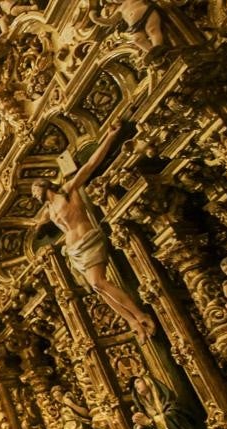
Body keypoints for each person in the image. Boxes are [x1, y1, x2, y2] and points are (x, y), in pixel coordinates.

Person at [31, 122, 157, 340]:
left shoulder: (66, 191)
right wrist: (38, 226)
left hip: (88, 239)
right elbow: (36, 227)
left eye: (34, 189)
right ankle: (132, 321)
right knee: (97, 287)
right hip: (75, 250)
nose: (34, 194)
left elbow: (90, 164)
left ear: (44, 185)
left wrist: (109, 136)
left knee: (99, 282)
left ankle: (139, 314)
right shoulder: (48, 211)